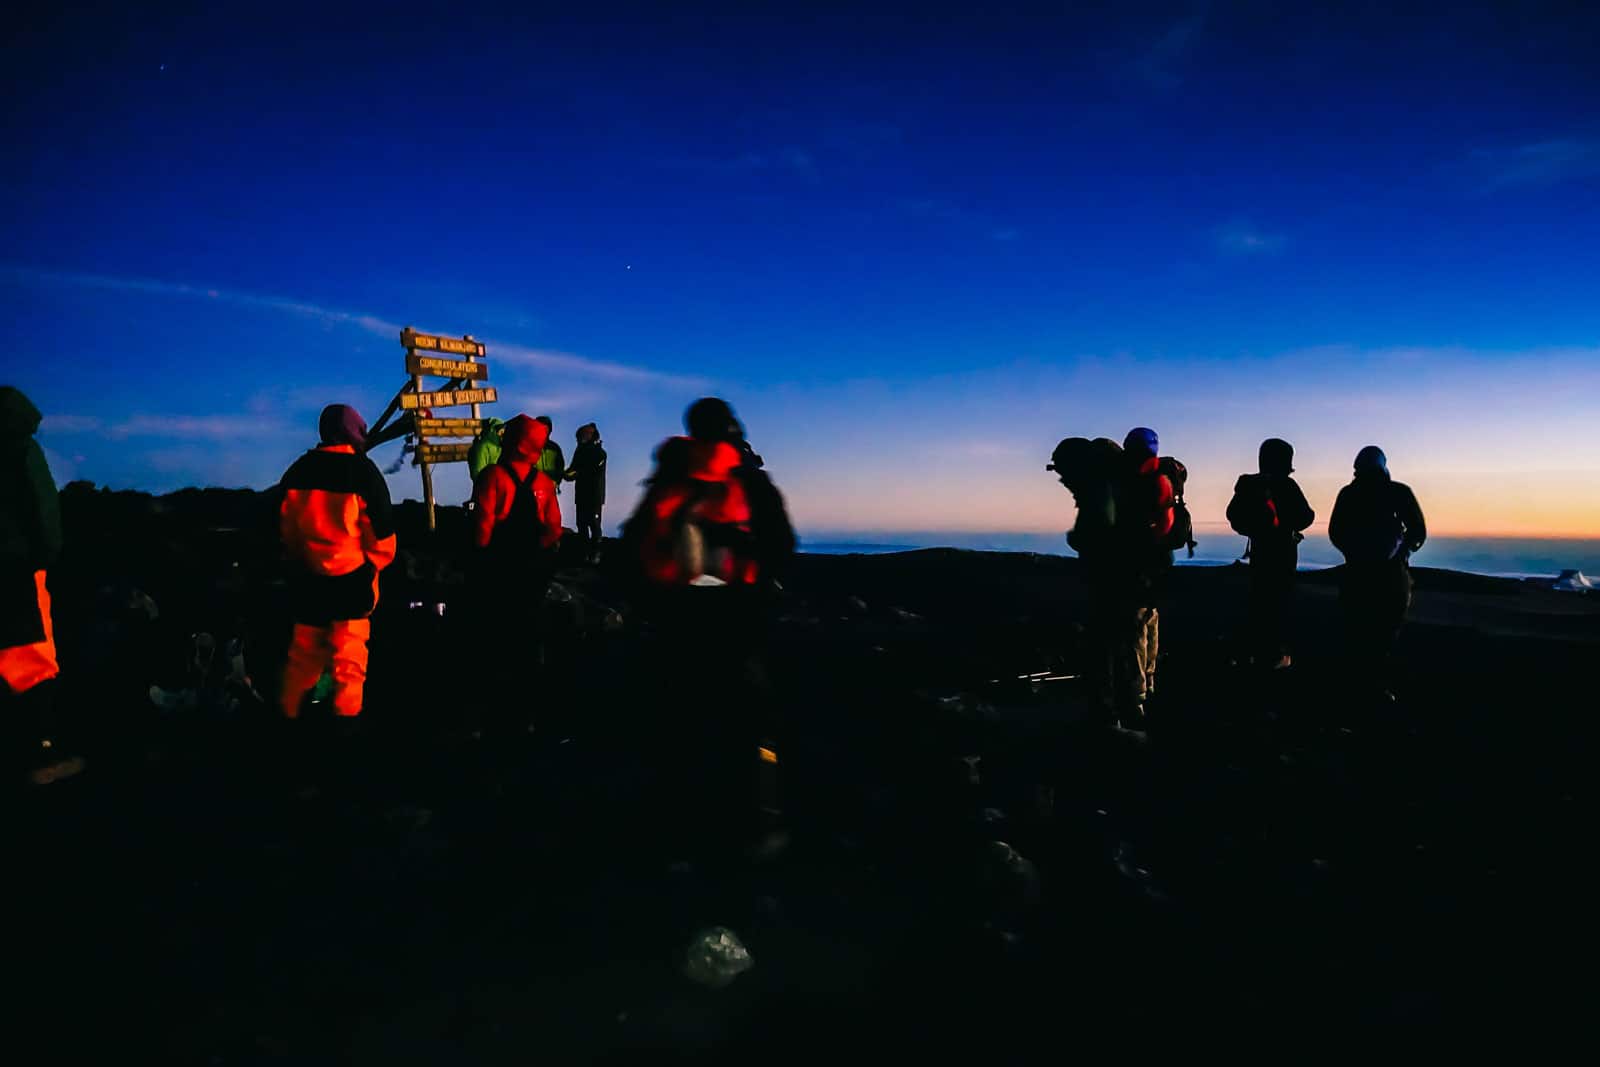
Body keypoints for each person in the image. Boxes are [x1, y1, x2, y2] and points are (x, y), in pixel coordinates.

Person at [622, 396, 795, 860]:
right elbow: (782, 545)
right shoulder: (749, 479)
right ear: (734, 428)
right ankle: (760, 820)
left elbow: (635, 545)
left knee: (681, 711)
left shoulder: (672, 475)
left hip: (679, 614)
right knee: (751, 715)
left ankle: (678, 824)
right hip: (739, 614)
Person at [277, 404, 397, 721]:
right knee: (349, 660)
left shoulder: (298, 470)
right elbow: (383, 538)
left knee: (302, 657)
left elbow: (286, 530)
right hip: (351, 584)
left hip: (308, 581)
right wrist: (371, 567)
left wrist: (300, 562)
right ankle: (345, 729)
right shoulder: (363, 472)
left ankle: (288, 718)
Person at [1, 386, 84, 785]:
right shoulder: (19, 451)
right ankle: (39, 751)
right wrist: (48, 554)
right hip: (16, 567)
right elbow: (42, 508)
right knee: (32, 658)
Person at [469, 415, 562, 694]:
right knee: (529, 627)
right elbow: (553, 528)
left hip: (499, 564)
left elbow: (483, 524)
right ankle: (528, 690)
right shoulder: (544, 483)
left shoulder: (492, 476)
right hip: (533, 566)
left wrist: (480, 556)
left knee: (495, 629)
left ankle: (494, 686)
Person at [1328, 446, 1426, 700]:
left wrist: (1352, 552)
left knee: (1356, 629)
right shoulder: (1398, 492)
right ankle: (1375, 685)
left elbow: (1336, 532)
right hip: (1390, 575)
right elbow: (1418, 531)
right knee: (1384, 631)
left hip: (1357, 573)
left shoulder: (1349, 494)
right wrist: (1403, 553)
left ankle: (1355, 684)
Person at [1048, 435, 1127, 725]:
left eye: (1064, 473)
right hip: (1129, 579)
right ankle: (1127, 706)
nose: (1063, 481)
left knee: (1106, 645)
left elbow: (1100, 531)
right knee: (1122, 643)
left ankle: (1109, 716)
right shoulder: (1111, 485)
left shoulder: (1099, 489)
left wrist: (1078, 539)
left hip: (1111, 581)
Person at [1227, 438, 1315, 670]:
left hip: (1259, 551)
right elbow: (1306, 516)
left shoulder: (1249, 484)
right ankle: (1274, 655)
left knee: (1259, 599)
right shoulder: (1287, 485)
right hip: (1284, 552)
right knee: (1279, 602)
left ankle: (1254, 652)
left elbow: (1233, 515)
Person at [1112, 427, 1175, 732]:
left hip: (1138, 565)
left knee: (1135, 628)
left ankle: (1135, 700)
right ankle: (1148, 687)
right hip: (1157, 564)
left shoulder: (1136, 481)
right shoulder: (1161, 480)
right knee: (1149, 621)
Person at [568, 422, 607, 563]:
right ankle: (584, 554)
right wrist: (567, 475)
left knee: (594, 524)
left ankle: (595, 553)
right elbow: (574, 469)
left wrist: (574, 473)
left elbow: (590, 470)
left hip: (594, 495)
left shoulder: (600, 453)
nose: (578, 440)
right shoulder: (580, 451)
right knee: (582, 524)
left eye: (580, 437)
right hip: (582, 494)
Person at [534, 415, 567, 496]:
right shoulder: (530, 446)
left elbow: (560, 466)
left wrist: (556, 481)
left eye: (546, 428)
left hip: (550, 488)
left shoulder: (554, 448)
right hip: (533, 488)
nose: (544, 430)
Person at [466, 417, 506, 482]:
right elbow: (477, 474)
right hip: (486, 488)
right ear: (492, 430)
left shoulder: (499, 448)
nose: (503, 434)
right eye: (501, 431)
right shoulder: (481, 447)